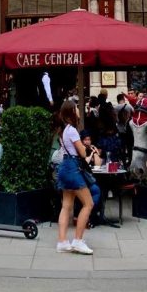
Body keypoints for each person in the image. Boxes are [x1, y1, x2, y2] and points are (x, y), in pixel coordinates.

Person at [55, 100, 94, 255]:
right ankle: (78, 241)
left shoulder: (64, 130)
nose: (79, 110)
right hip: (73, 168)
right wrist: (86, 148)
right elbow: (83, 153)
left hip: (65, 167)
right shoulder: (72, 131)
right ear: (71, 111)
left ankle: (62, 242)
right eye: (77, 108)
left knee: (66, 206)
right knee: (88, 204)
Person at [116, 92, 134, 168]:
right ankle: (130, 162)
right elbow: (134, 114)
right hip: (129, 130)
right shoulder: (129, 106)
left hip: (120, 131)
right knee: (130, 148)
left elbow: (115, 119)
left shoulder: (115, 108)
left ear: (118, 100)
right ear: (123, 99)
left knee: (122, 148)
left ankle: (123, 163)